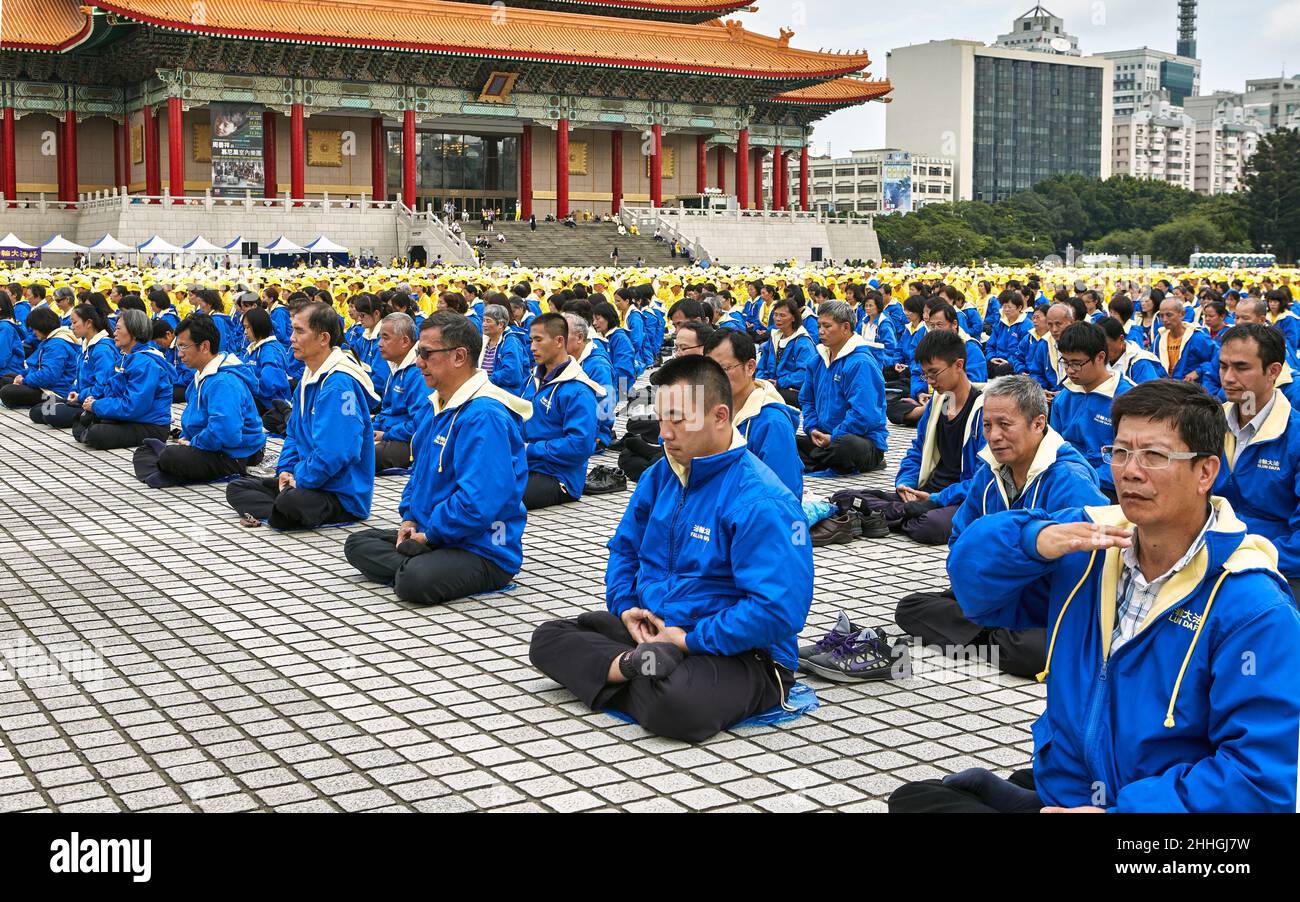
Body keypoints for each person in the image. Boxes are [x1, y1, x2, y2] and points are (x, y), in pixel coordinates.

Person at [891, 379, 1300, 813]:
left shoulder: (1253, 607)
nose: (1130, 471)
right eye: (1121, 452)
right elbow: (972, 586)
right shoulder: (1093, 547)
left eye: (1155, 456)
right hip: (1071, 787)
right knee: (914, 799)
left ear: (1206, 472)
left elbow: (1255, 780)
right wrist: (1033, 538)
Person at [529, 355, 814, 743]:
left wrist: (688, 640)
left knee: (678, 708)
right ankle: (633, 666)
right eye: (661, 419)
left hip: (734, 650)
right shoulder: (659, 475)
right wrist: (627, 609)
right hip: (654, 632)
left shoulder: (760, 499)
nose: (664, 433)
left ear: (719, 416)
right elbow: (625, 550)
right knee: (548, 637)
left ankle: (623, 670)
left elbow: (777, 610)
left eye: (677, 420)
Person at [892, 376, 1107, 679]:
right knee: (910, 607)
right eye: (987, 426)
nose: (994, 436)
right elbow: (960, 538)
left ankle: (985, 635)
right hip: (998, 596)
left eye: (1005, 425)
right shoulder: (989, 471)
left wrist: (1008, 569)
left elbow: (1082, 567)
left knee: (1036, 650)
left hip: (1045, 606)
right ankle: (993, 637)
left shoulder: (1069, 479)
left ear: (1038, 424)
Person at [344, 311, 530, 605]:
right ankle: (420, 559)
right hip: (438, 532)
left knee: (413, 582)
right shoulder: (439, 405)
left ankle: (420, 562)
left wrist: (430, 536)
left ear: (459, 356)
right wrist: (410, 519)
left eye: (427, 354)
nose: (419, 363)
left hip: (482, 547)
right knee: (357, 543)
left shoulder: (484, 415)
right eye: (419, 353)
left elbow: (478, 502)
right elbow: (420, 475)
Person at [225, 302, 377, 530]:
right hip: (307, 479)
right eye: (292, 330)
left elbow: (336, 453)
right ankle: (281, 510)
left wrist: (301, 478)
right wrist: (286, 470)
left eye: (299, 331)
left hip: (339, 492)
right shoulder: (309, 376)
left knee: (290, 501)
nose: (292, 338)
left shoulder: (338, 385)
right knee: (237, 488)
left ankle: (283, 508)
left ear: (323, 338)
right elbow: (294, 434)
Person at [854, 331, 985, 546]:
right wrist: (905, 484)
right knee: (848, 497)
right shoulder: (941, 403)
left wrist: (937, 499)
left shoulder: (983, 412)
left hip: (957, 498)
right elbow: (917, 450)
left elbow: (982, 480)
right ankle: (906, 512)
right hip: (925, 492)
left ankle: (887, 517)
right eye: (926, 375)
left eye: (934, 373)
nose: (931, 382)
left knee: (930, 525)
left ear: (958, 365)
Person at [1214, 323, 1300, 596]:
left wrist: (1251, 559)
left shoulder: (1294, 435)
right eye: (1223, 366)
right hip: (1209, 552)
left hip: (1274, 564)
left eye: (1241, 367)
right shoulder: (1208, 422)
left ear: (1273, 371)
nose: (1228, 377)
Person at [132, 314, 266, 488]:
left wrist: (194, 443)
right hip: (210, 445)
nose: (179, 354)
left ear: (204, 346)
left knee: (169, 456)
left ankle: (170, 469)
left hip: (235, 454)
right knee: (145, 451)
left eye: (183, 347)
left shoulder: (223, 382)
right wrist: (187, 438)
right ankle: (171, 469)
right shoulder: (202, 374)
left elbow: (227, 432)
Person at [704, 329, 802, 498]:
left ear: (750, 367)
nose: (714, 378)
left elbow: (783, 496)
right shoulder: (711, 410)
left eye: (723, 369)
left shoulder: (772, 423)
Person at [521, 313, 604, 510]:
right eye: (531, 340)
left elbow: (579, 446)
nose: (532, 347)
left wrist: (530, 449)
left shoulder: (578, 390)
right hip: (526, 465)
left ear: (559, 341)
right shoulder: (533, 378)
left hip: (557, 477)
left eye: (538, 340)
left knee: (498, 500)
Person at [797, 300, 888, 475]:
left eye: (827, 326)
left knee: (845, 447)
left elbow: (864, 414)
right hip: (824, 437)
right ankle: (821, 458)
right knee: (784, 442)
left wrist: (834, 436)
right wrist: (812, 428)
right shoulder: (817, 360)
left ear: (845, 328)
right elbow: (806, 399)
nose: (821, 331)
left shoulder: (861, 363)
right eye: (819, 326)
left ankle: (819, 459)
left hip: (859, 440)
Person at [1050, 322, 1134, 503]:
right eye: (1065, 362)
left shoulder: (1127, 399)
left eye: (1077, 363)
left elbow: (1131, 457)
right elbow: (1054, 446)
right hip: (1066, 479)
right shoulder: (1064, 397)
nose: (1070, 370)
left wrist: (1086, 477)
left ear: (1100, 357)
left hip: (1109, 487)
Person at [71, 308, 176, 451]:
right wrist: (95, 402)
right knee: (84, 419)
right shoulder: (126, 357)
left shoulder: (145, 363)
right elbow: (110, 389)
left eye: (119, 329)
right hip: (133, 417)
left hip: (150, 425)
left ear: (134, 332)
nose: (114, 333)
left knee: (96, 433)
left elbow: (133, 406)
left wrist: (96, 405)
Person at [29, 302, 118, 430]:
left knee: (50, 414)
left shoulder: (102, 350)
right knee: (36, 412)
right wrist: (74, 391)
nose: (71, 327)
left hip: (93, 401)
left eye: (75, 322)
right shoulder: (86, 345)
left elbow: (103, 386)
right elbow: (78, 378)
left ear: (88, 323)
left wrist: (80, 396)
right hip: (80, 397)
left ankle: (89, 417)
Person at [372, 313, 433, 473]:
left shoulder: (418, 373)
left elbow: (421, 423)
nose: (380, 344)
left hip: (408, 441)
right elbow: (387, 410)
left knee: (362, 455)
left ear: (405, 341)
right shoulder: (396, 367)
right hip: (389, 433)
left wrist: (386, 435)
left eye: (386, 338)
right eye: (380, 337)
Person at [0, 306, 79, 409]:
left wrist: (24, 380)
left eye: (34, 329)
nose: (33, 333)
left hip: (53, 391)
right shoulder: (50, 340)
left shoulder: (57, 345)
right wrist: (21, 375)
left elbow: (48, 376)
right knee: (8, 378)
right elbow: (36, 367)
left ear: (42, 326)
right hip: (43, 384)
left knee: (8, 391)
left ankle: (51, 404)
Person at [565, 312, 616, 451]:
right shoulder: (565, 358)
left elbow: (606, 408)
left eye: (563, 335)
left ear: (580, 337)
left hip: (590, 432)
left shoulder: (597, 365)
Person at [239, 307, 293, 434]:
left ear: (258, 326)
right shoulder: (253, 348)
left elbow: (268, 386)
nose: (245, 332)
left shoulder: (270, 351)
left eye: (248, 327)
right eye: (244, 327)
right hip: (257, 398)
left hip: (270, 404)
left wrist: (246, 381)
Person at [755, 298, 816, 407]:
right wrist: (763, 380)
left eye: (782, 315)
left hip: (792, 390)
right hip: (772, 385)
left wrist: (779, 383)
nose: (777, 318)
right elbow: (762, 365)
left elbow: (804, 374)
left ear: (793, 318)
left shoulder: (803, 342)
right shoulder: (774, 337)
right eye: (775, 314)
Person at [1155, 295, 1218, 391]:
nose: (1164, 320)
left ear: (1182, 314)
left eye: (1169, 315)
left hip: (1191, 391)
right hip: (1167, 390)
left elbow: (1217, 358)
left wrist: (1199, 371)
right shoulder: (1159, 338)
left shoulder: (1197, 337)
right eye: (1161, 315)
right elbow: (1155, 363)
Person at [479, 304, 528, 396]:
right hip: (488, 389)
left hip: (506, 393)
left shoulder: (511, 342)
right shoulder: (485, 340)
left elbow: (512, 373)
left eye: (488, 321)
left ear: (501, 324)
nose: (484, 324)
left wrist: (486, 380)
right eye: (484, 320)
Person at [1100, 317, 1165, 385]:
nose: (1101, 351)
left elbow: (1149, 392)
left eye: (1106, 345)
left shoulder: (1141, 363)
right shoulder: (1097, 359)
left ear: (1121, 339)